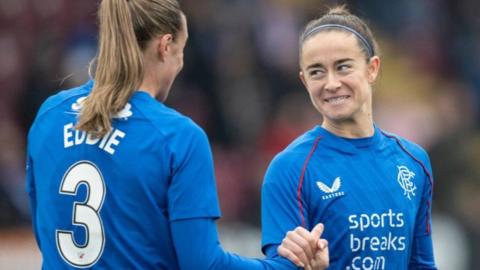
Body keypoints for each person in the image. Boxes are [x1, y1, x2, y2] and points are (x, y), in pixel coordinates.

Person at [25, 0, 329, 269]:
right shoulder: (177, 136)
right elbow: (203, 264)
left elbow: (45, 230)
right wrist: (285, 266)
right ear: (165, 46)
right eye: (181, 51)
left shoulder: (50, 115)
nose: (181, 64)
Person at [266, 5, 438, 270]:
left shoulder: (414, 162)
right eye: (316, 72)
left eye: (343, 67)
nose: (331, 83)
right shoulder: (289, 168)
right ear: (304, 81)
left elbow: (422, 265)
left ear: (372, 69)